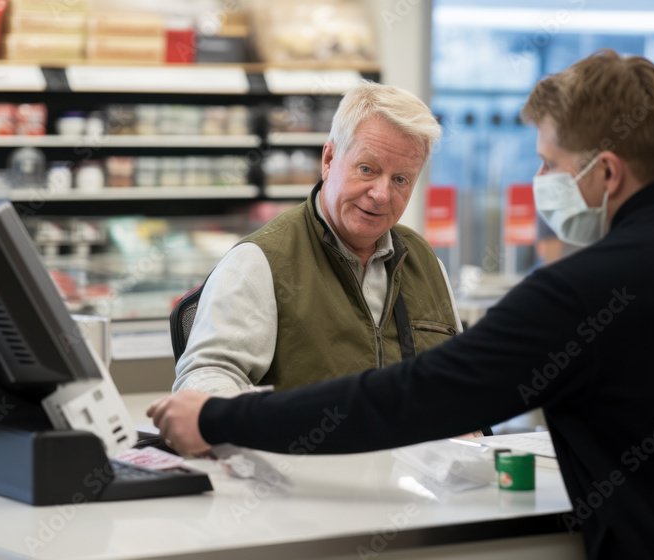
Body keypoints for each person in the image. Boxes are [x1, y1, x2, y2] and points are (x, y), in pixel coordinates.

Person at [149, 50, 654, 559]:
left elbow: (416, 397)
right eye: (367, 169)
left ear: (606, 173)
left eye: (547, 163)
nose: (538, 181)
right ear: (331, 160)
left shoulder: (584, 291)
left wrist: (218, 416)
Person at [172, 82, 462, 395]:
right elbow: (203, 385)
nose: (381, 194)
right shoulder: (261, 262)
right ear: (328, 160)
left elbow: (459, 377)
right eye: (367, 169)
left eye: (401, 179)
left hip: (424, 445)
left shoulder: (425, 261)